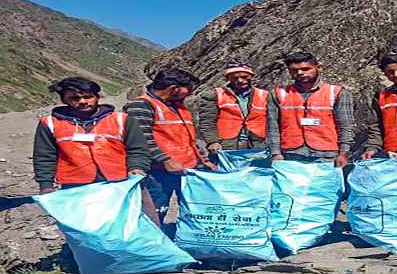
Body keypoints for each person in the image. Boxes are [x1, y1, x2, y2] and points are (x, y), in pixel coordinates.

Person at [124, 68, 215, 225]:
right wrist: (165, 160)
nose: (190, 94)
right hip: (157, 172)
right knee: (156, 211)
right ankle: (154, 245)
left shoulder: (179, 107)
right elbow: (141, 140)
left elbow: (188, 138)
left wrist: (203, 159)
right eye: (189, 89)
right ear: (174, 88)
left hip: (187, 169)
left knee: (194, 210)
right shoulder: (141, 105)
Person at [33, 76, 149, 194]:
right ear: (64, 100)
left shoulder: (122, 120)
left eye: (88, 97)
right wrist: (46, 185)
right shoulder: (50, 123)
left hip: (120, 182)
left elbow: (138, 149)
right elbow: (45, 156)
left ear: (97, 97)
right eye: (74, 98)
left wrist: (137, 168)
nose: (82, 101)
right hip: (74, 185)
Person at [267, 52, 354, 168]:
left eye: (306, 69)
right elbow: (272, 126)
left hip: (327, 155)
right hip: (290, 154)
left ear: (318, 68)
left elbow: (345, 125)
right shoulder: (278, 94)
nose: (300, 73)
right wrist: (275, 153)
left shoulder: (337, 92)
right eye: (294, 70)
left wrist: (344, 153)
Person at [197, 60, 269, 154]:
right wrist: (212, 141)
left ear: (251, 76)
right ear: (228, 78)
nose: (240, 80)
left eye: (244, 77)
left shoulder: (265, 95)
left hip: (258, 144)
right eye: (235, 78)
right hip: (226, 146)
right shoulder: (214, 95)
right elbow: (207, 122)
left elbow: (272, 122)